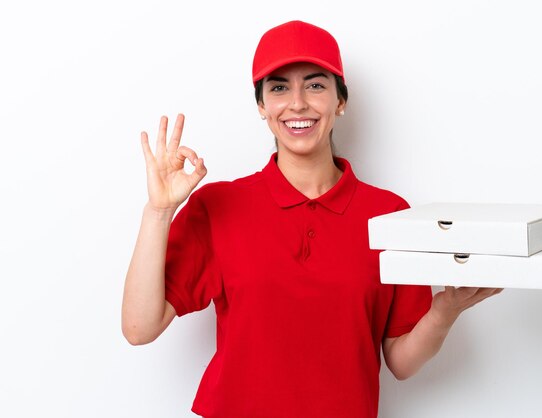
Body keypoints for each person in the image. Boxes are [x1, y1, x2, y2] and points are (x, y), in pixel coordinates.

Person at [122, 20, 502, 418]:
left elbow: (401, 362)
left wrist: (444, 312)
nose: (298, 103)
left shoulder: (389, 215)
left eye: (316, 85)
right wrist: (159, 212)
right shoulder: (218, 206)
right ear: (261, 106)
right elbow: (139, 328)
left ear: (340, 101)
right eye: (279, 87)